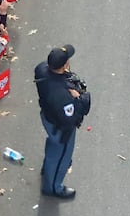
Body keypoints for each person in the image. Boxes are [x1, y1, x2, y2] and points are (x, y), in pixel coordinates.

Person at [33, 45, 89, 199]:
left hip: (48, 116)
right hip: (60, 127)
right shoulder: (61, 95)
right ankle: (53, 187)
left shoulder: (41, 69)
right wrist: (78, 98)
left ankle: (47, 168)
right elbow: (70, 118)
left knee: (52, 146)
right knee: (62, 155)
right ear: (64, 65)